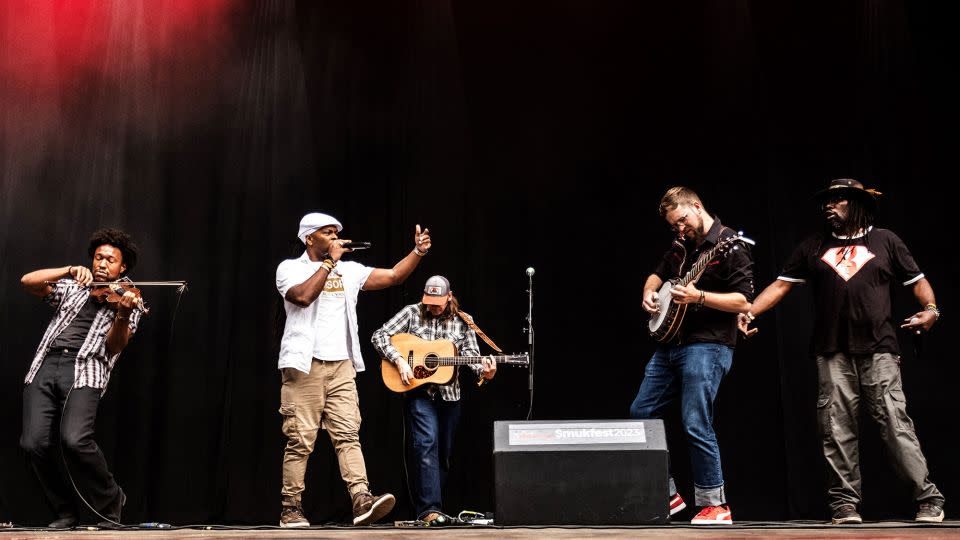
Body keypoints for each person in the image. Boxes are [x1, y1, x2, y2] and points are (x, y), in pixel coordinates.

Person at [738, 178, 945, 524]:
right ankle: (844, 506)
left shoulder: (886, 241)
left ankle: (928, 499)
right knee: (835, 429)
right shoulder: (813, 245)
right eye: (827, 202)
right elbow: (780, 285)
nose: (829, 207)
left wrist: (931, 310)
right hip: (831, 352)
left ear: (858, 204)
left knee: (895, 424)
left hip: (879, 349)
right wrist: (750, 311)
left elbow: (918, 280)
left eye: (838, 201)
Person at [275, 212, 431, 527]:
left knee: (348, 434)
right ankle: (290, 507)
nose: (335, 238)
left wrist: (417, 252)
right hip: (304, 365)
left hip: (342, 365)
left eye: (337, 234)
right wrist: (329, 263)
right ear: (309, 238)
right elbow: (303, 297)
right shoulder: (290, 269)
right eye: (328, 233)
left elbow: (393, 277)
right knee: (301, 439)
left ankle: (361, 499)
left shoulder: (350, 270)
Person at [631, 186, 754, 525]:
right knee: (641, 412)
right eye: (674, 226)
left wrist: (699, 296)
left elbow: (743, 302)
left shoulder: (731, 245)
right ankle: (665, 492)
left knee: (695, 421)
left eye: (682, 221)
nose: (680, 230)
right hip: (671, 346)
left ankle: (716, 504)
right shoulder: (682, 245)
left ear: (697, 206)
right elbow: (657, 273)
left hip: (709, 345)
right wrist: (649, 292)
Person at [19, 228, 145, 528]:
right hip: (45, 365)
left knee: (74, 439)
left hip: (86, 368)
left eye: (110, 260)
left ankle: (111, 499)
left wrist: (123, 314)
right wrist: (68, 270)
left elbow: (115, 346)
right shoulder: (75, 285)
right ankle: (65, 511)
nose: (102, 264)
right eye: (98, 257)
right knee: (33, 442)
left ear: (122, 267)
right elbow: (28, 281)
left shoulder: (130, 297)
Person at [371, 275, 496, 524]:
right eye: (429, 302)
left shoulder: (463, 322)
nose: (432, 307)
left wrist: (486, 371)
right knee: (426, 444)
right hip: (419, 392)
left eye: (438, 302)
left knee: (443, 453)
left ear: (449, 297)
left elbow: (473, 357)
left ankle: (431, 509)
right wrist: (398, 359)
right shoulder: (412, 312)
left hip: (450, 395)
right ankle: (430, 510)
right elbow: (379, 336)